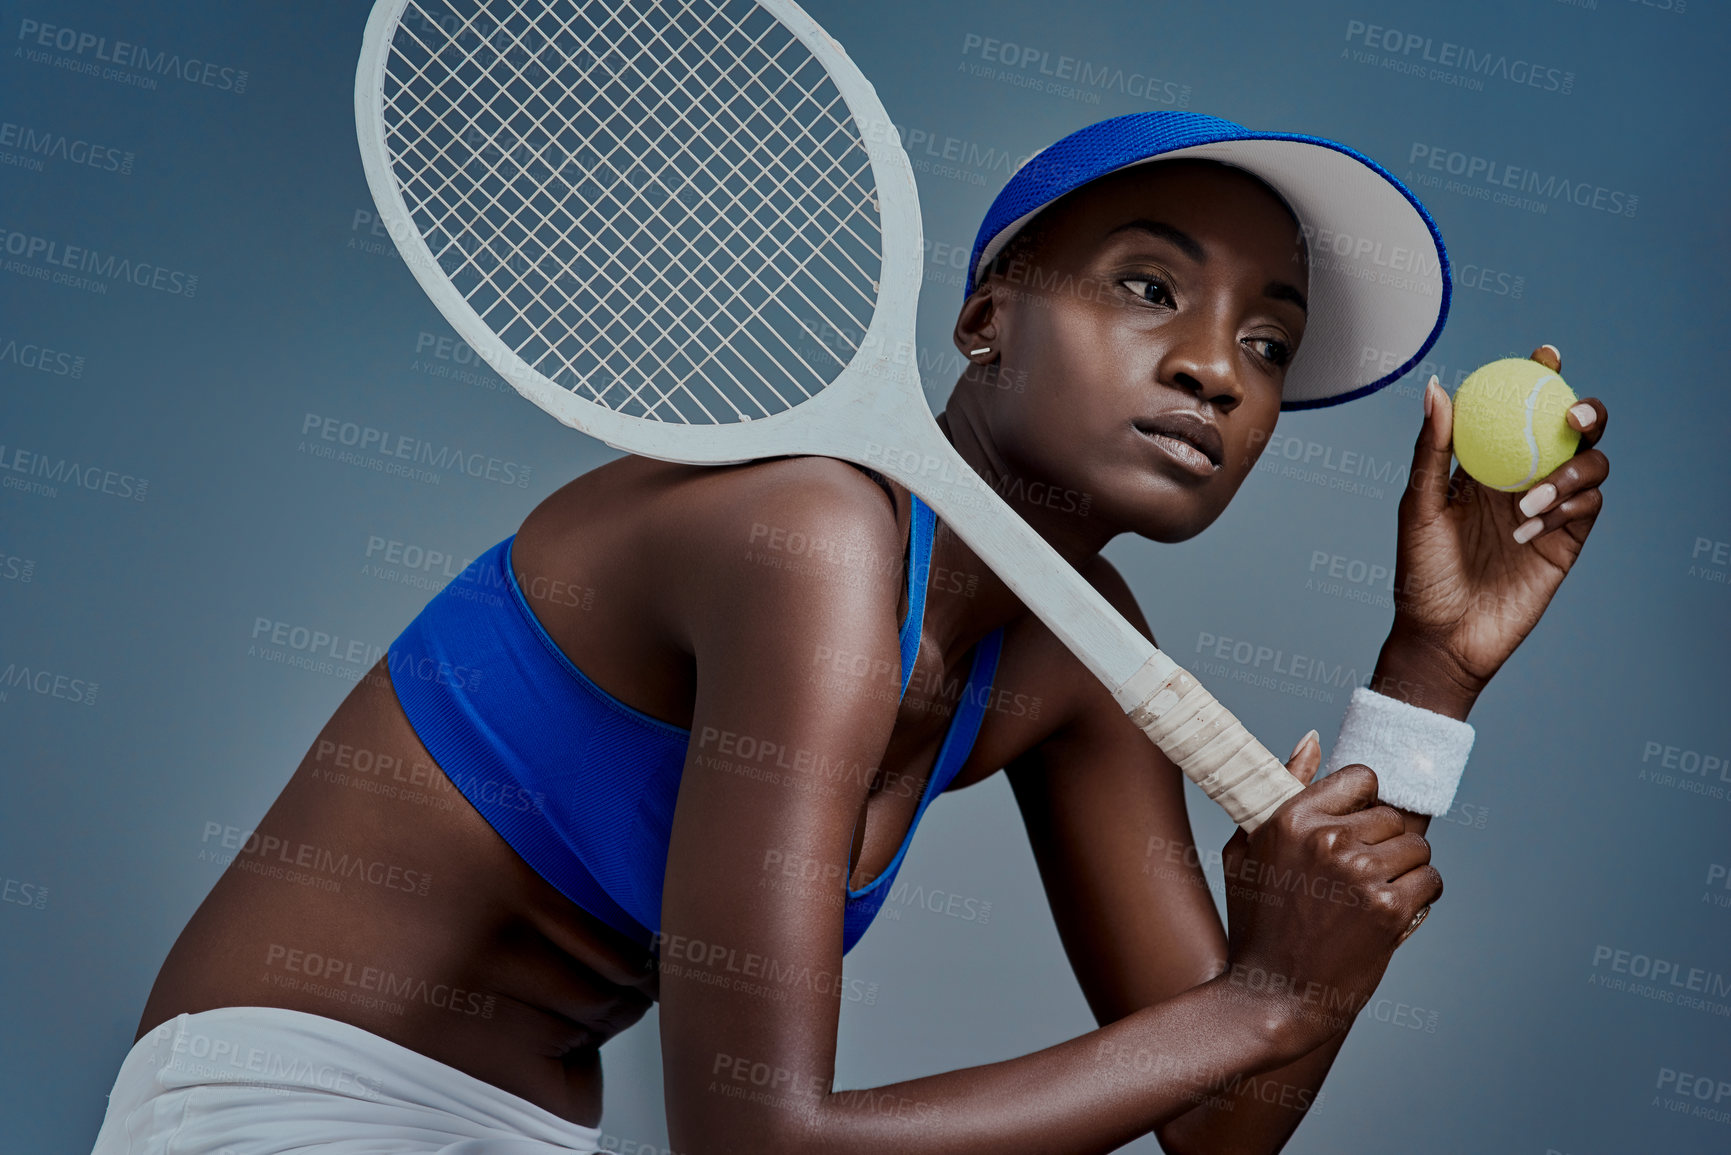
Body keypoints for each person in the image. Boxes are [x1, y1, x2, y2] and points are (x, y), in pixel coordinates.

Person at [90, 111, 1609, 1154]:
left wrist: (1432, 673)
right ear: (986, 318)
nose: (1217, 369)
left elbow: (1218, 1116)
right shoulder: (811, 537)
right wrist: (1273, 995)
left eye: (1268, 344)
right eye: (1149, 286)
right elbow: (759, 1137)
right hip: (278, 1108)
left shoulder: (1074, 654)